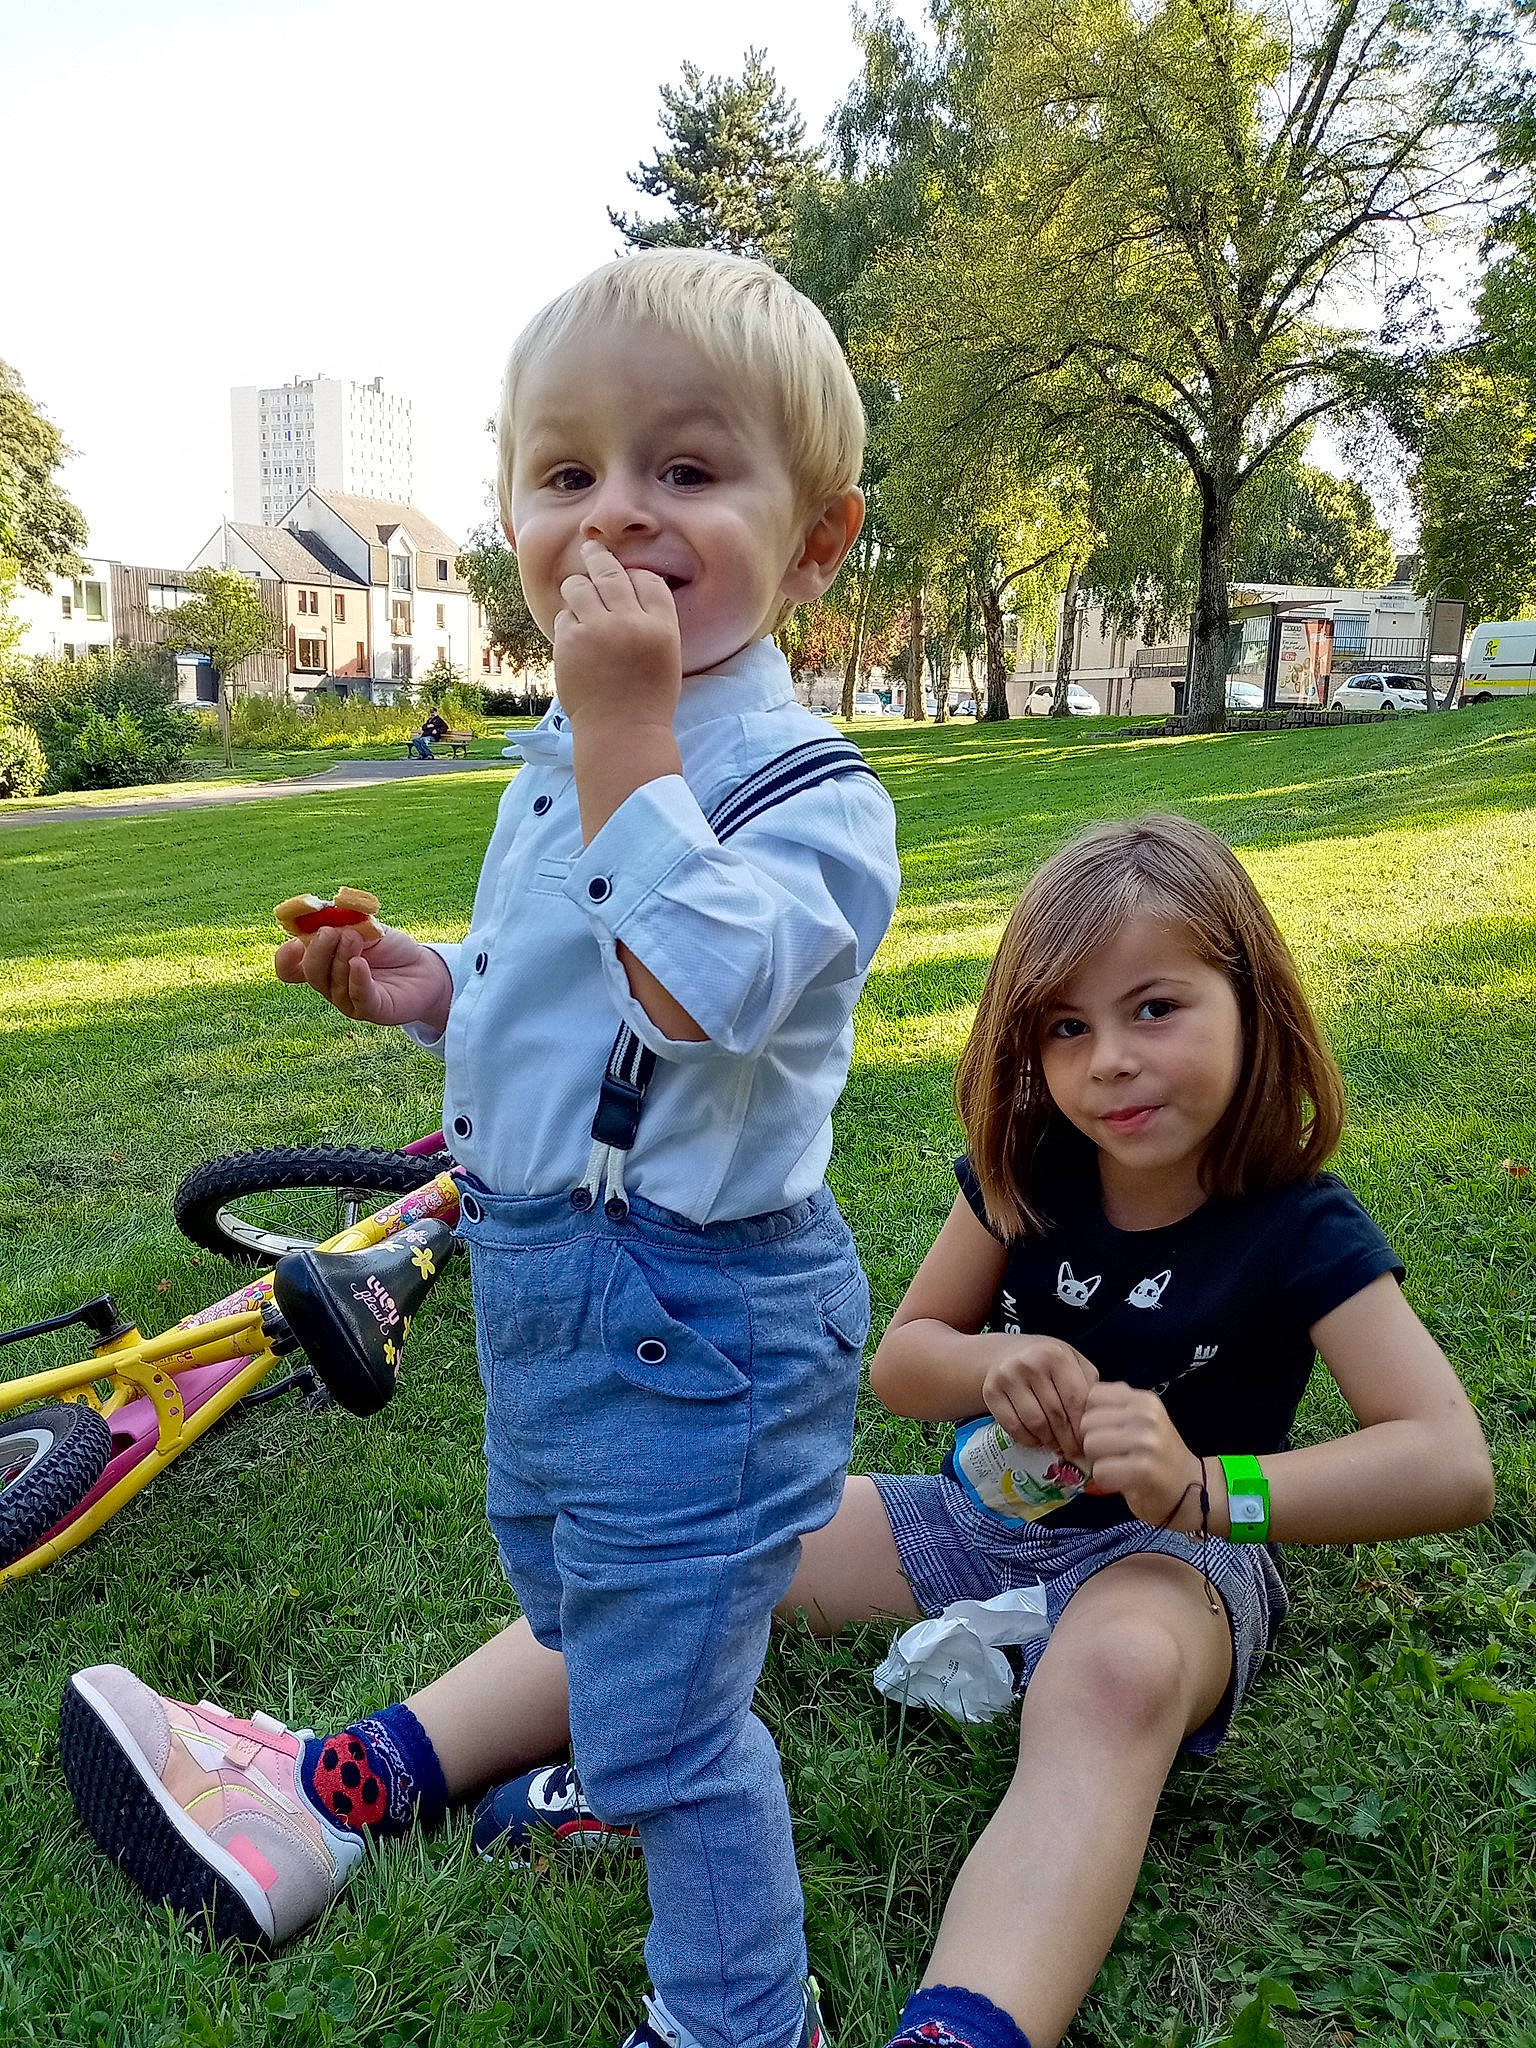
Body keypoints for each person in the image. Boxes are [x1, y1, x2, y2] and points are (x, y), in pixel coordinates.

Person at [60, 250, 899, 2048]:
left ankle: (741, 2010)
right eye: (567, 473)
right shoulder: (565, 749)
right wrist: (424, 982)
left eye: (686, 472)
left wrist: (623, 735)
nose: (620, 517)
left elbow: (692, 996)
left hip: (700, 1320)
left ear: (817, 545)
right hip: (547, 1278)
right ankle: (616, 1752)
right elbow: (562, 985)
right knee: (570, 1575)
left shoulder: (812, 792)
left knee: (680, 1703)